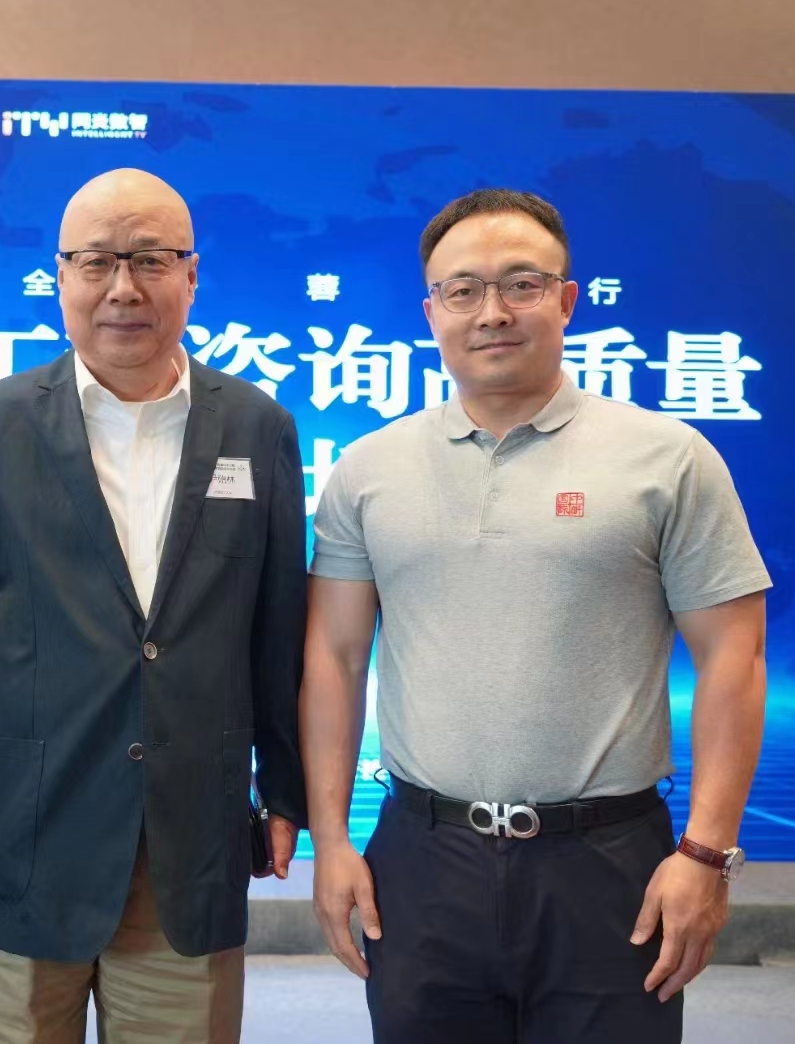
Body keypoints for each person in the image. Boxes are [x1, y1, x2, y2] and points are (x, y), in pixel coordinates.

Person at [303, 188, 771, 1042]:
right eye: (463, 290)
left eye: (522, 284)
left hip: (608, 861)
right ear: (431, 312)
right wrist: (330, 841)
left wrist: (706, 854)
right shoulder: (368, 470)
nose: (492, 312)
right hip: (423, 856)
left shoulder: (669, 458)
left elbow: (733, 659)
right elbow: (334, 658)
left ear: (567, 300)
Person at [0, 168, 307, 1043]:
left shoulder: (258, 427)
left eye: (150, 260)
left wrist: (284, 787)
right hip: (19, 841)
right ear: (60, 278)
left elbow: (276, 629)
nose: (123, 287)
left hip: (190, 845)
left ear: (191, 277)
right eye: (96, 262)